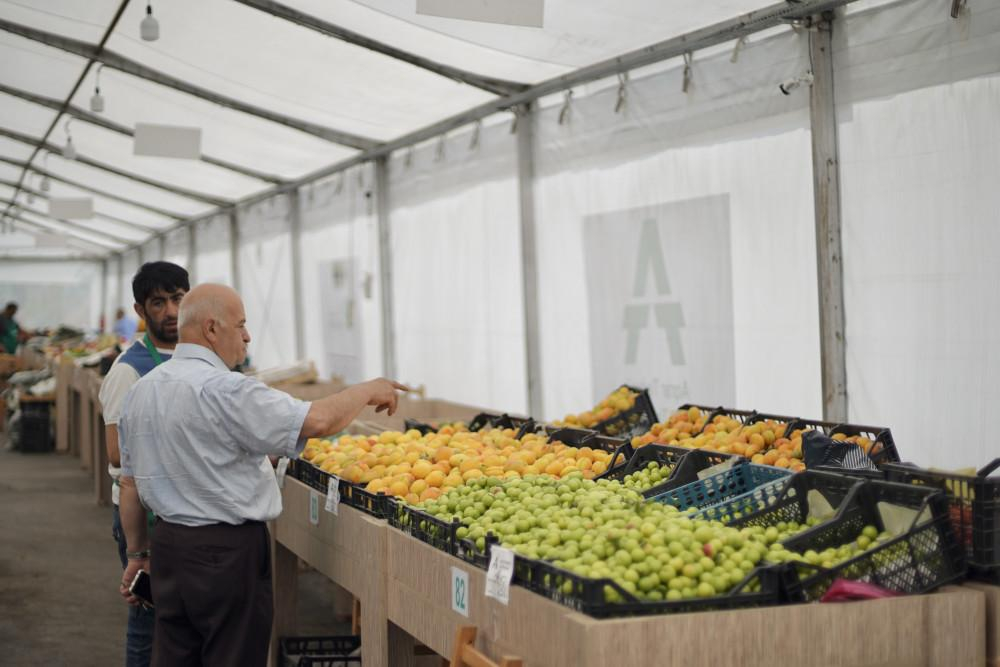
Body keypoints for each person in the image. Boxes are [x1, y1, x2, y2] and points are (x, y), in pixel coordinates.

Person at [117, 284, 408, 667]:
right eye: (240, 325)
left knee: (175, 656)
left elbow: (130, 482)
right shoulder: (227, 389)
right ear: (211, 329)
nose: (248, 336)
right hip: (225, 553)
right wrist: (367, 390)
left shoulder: (141, 392)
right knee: (233, 655)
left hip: (169, 546)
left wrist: (138, 555)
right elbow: (317, 421)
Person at [98, 262, 190, 667]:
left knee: (184, 621)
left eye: (178, 299)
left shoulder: (202, 357)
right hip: (145, 515)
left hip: (187, 510)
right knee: (149, 617)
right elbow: (118, 453)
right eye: (158, 302)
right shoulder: (129, 369)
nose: (171, 311)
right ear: (140, 310)